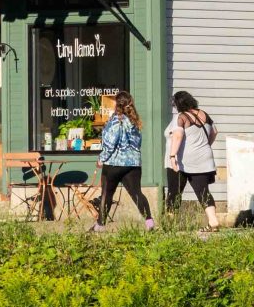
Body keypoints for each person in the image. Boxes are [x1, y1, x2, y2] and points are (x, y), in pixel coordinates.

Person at [94, 93, 156, 230]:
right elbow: (137, 143)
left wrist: (101, 159)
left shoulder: (116, 120)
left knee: (106, 194)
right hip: (133, 164)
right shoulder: (134, 121)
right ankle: (149, 222)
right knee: (137, 193)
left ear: (117, 104)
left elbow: (110, 143)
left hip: (114, 163)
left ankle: (100, 225)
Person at [165, 90, 219, 230]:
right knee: (203, 191)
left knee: (174, 192)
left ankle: (169, 225)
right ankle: (213, 221)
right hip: (205, 159)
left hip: (184, 161)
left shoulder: (181, 117)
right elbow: (214, 132)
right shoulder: (204, 114)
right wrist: (205, 146)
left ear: (178, 104)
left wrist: (172, 156)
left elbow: (178, 135)